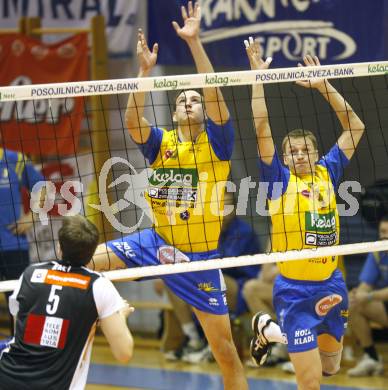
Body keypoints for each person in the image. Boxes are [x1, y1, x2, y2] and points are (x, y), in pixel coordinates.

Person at [90, 3, 248, 389]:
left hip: (198, 260)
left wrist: (194, 43)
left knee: (225, 352)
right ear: (175, 114)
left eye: (193, 99)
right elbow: (132, 122)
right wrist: (143, 72)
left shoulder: (218, 142)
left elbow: (214, 95)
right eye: (181, 101)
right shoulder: (162, 143)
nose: (188, 103)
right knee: (82, 261)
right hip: (155, 242)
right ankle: (97, 317)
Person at [244, 37, 365, 390]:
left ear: (315, 152)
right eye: (292, 151)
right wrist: (257, 78)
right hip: (295, 291)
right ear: (284, 159)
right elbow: (262, 129)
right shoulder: (278, 181)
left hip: (333, 284)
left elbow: (355, 127)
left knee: (331, 368)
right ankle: (275, 327)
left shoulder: (328, 171)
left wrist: (323, 86)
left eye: (305, 149)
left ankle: (267, 329)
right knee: (310, 382)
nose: (299, 155)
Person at [0, 215, 134, 390]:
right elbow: (124, 353)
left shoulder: (31, 273)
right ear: (93, 252)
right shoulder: (99, 286)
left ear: (59, 246)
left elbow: (21, 328)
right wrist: (121, 315)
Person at [159, 192, 261, 363]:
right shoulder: (205, 229)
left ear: (235, 208)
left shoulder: (243, 232)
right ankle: (194, 339)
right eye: (219, 205)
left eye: (227, 205)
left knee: (210, 278)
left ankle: (213, 342)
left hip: (241, 289)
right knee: (172, 279)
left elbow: (225, 265)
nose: (222, 209)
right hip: (210, 285)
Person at [0, 145, 45, 334]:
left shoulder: (15, 160)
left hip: (12, 245)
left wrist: (32, 216)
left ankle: (21, 354)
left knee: (19, 306)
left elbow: (42, 187)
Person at [347, 215, 388, 376]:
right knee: (353, 302)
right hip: (384, 304)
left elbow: (370, 294)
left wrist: (369, 296)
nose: (385, 235)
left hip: (382, 298)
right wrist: (358, 294)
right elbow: (365, 286)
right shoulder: (378, 252)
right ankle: (371, 358)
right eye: (382, 231)